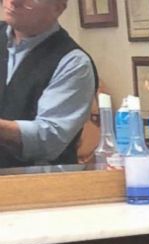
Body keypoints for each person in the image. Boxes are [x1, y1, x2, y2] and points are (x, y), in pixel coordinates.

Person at [0, 0, 97, 168]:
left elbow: (49, 139)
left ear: (57, 8)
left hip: (36, 185)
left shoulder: (73, 63)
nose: (14, 1)